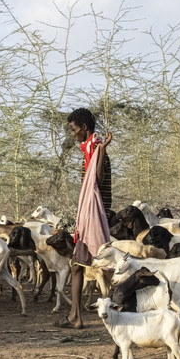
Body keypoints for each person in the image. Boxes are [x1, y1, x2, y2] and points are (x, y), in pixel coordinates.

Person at [54, 108, 112, 329]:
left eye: (74, 129)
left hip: (96, 216)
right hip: (90, 213)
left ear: (84, 128)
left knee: (104, 265)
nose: (73, 134)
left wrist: (102, 150)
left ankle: (77, 317)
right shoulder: (91, 150)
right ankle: (74, 316)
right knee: (77, 265)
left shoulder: (97, 149)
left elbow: (97, 178)